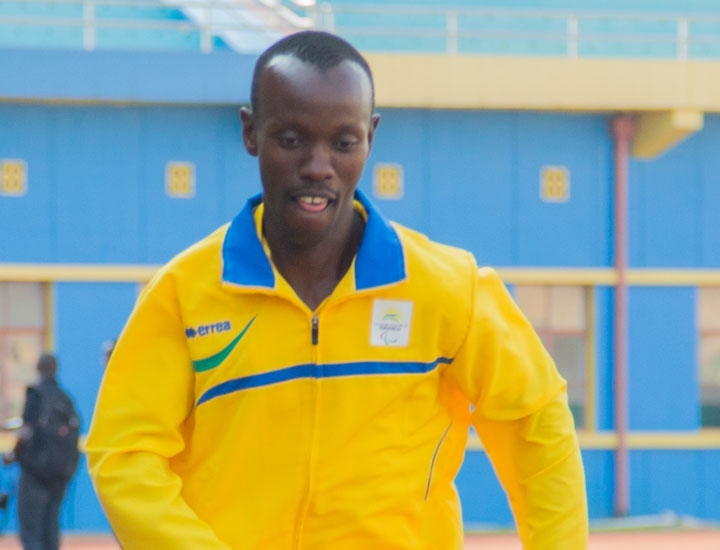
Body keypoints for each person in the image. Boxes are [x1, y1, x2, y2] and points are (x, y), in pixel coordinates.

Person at [86, 30, 588, 548]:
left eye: (343, 142)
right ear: (251, 132)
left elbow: (536, 422)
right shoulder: (183, 293)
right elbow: (125, 455)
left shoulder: (448, 290)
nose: (318, 166)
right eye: (291, 139)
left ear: (370, 137)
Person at [5, 353, 78, 550]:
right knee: (51, 525)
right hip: (60, 472)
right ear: (55, 369)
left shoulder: (35, 394)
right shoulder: (65, 398)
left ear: (38, 369)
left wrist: (13, 454)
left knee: (31, 529)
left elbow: (26, 431)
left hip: (35, 471)